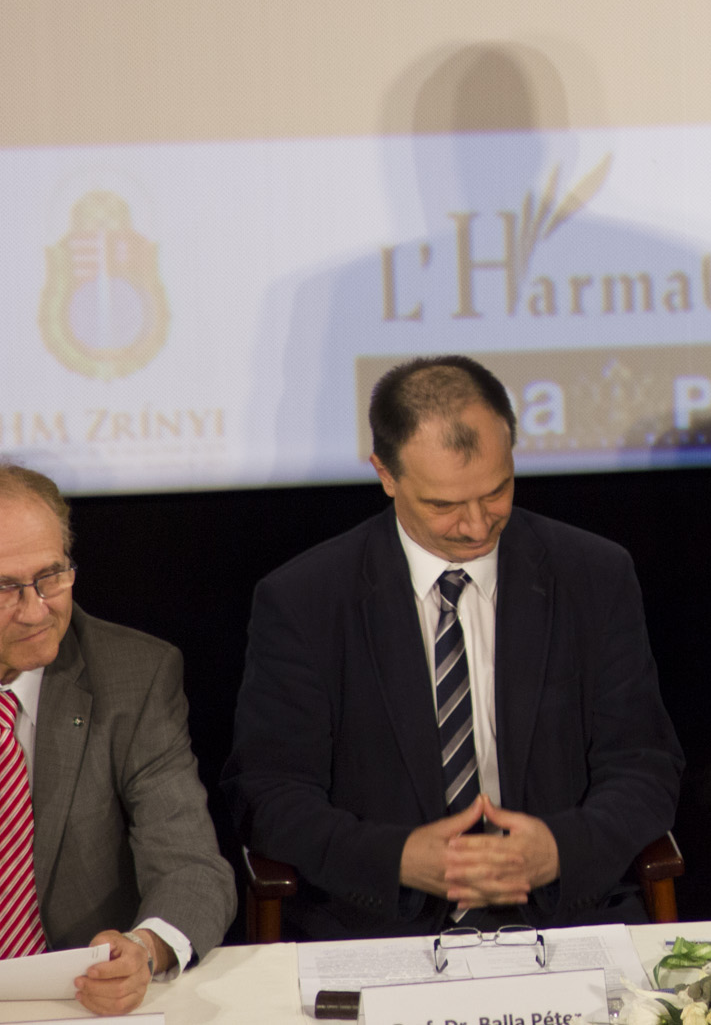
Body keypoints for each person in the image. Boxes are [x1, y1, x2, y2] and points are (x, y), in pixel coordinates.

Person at [222, 356, 683, 939]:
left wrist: (558, 850)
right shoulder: (305, 601)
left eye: (497, 491)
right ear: (386, 475)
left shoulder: (594, 576)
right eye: (443, 506)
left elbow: (645, 766)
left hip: (564, 921)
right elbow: (269, 795)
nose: (477, 525)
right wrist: (398, 859)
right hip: (378, 930)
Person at [0, 464, 233, 1016]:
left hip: (76, 1000)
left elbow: (191, 867)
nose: (36, 610)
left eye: (51, 576)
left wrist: (145, 949)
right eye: (5, 588)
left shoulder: (135, 677)